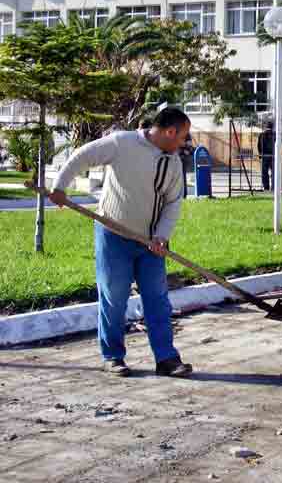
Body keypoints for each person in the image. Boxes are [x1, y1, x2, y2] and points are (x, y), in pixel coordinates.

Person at [49, 108, 193, 378]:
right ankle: (113, 356)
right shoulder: (122, 143)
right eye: (183, 136)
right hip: (113, 235)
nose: (185, 143)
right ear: (169, 131)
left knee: (157, 300)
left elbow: (173, 202)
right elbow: (82, 156)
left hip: (152, 242)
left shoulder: (173, 162)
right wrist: (60, 186)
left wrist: (161, 235)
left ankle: (167, 359)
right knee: (114, 297)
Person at [257, 123, 275, 192]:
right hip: (273, 156)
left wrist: (260, 154)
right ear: (272, 127)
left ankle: (266, 187)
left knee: (264, 172)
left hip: (264, 156)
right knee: (274, 172)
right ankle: (274, 186)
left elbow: (258, 145)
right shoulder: (275, 135)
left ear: (266, 127)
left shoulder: (261, 135)